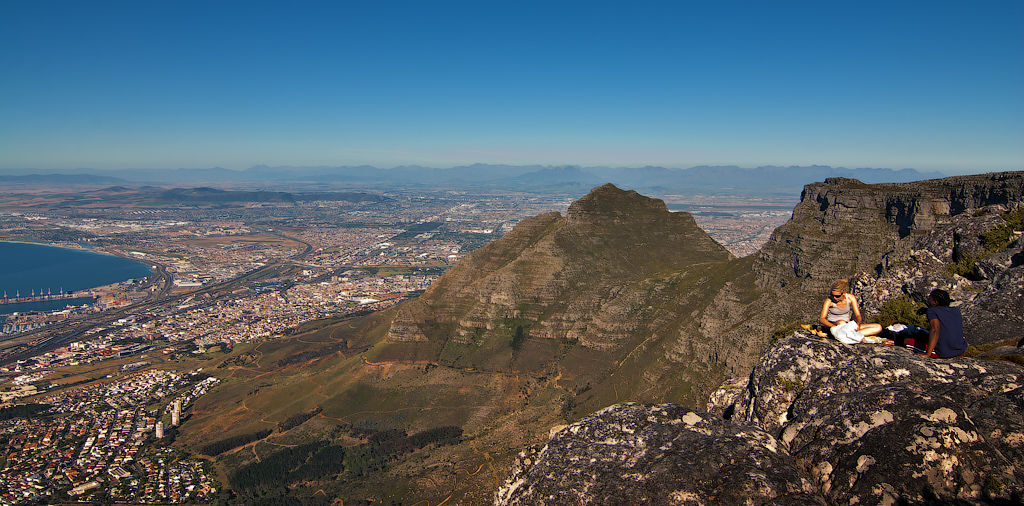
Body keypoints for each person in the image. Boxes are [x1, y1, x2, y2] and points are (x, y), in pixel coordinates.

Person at [915, 289, 967, 358]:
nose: (928, 300)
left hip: (944, 352)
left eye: (930, 298)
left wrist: (928, 353)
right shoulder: (956, 310)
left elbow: (935, 330)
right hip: (961, 350)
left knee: (906, 341)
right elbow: (943, 313)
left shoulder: (932, 311)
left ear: (935, 302)